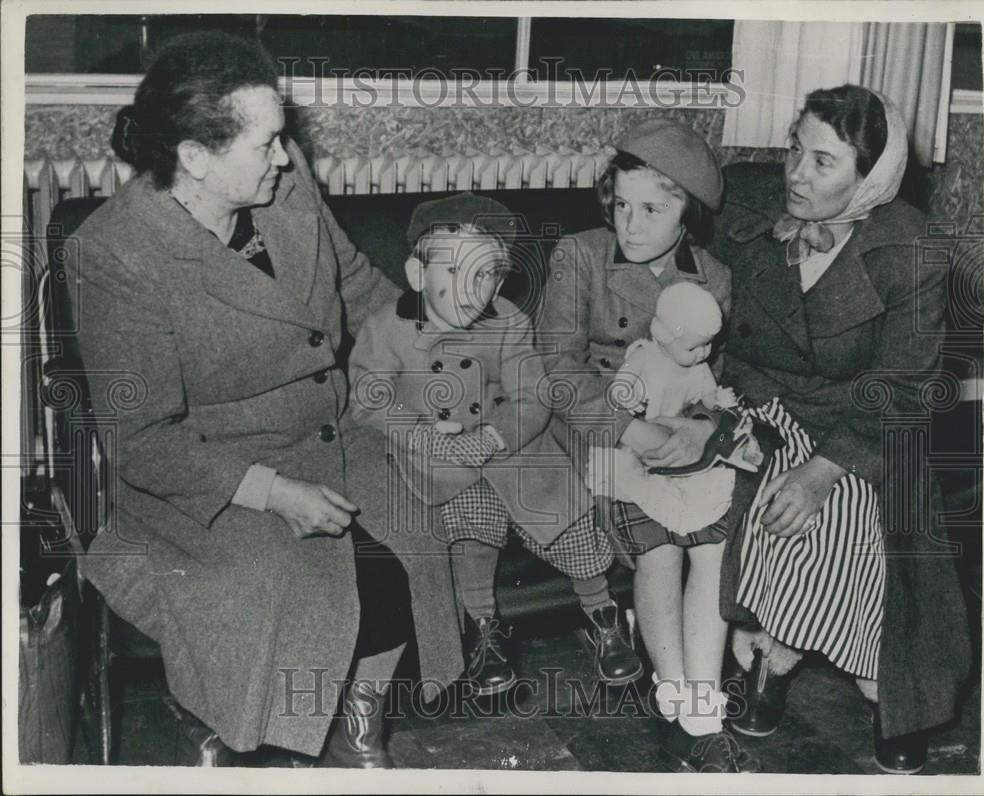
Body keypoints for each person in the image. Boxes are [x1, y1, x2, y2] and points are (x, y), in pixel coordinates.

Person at [66, 31, 464, 768]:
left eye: (283, 139)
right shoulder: (116, 253)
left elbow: (352, 281)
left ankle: (359, 725)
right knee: (276, 574)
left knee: (414, 524)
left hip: (329, 429)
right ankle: (226, 724)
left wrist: (439, 351)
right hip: (211, 473)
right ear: (194, 158)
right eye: (267, 144)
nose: (286, 158)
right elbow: (144, 439)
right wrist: (276, 493)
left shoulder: (283, 181)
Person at [706, 84, 971, 774]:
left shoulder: (913, 248)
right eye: (796, 147)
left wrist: (823, 469)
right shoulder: (745, 203)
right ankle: (779, 654)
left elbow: (905, 383)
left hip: (870, 419)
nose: (795, 173)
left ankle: (850, 674)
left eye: (824, 162)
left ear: (871, 177)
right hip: (761, 400)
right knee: (782, 499)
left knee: (848, 507)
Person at [349, 192, 641, 696]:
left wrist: (495, 435)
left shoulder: (508, 321)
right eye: (456, 272)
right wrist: (421, 436)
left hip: (513, 448)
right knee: (471, 522)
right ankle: (485, 633)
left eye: (486, 275)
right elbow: (369, 402)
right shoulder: (384, 327)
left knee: (566, 516)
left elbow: (533, 395)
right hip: (437, 457)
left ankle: (603, 616)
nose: (471, 289)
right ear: (419, 277)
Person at [539, 119, 758, 772]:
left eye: (652, 210)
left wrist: (697, 428)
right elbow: (557, 368)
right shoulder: (579, 255)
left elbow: (717, 379)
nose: (630, 225)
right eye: (621, 205)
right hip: (602, 430)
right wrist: (629, 429)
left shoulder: (712, 276)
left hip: (681, 429)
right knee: (660, 549)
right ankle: (678, 698)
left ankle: (703, 696)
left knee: (718, 541)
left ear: (687, 214)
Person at [588, 281, 743, 533]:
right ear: (661, 334)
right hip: (636, 435)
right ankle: (605, 512)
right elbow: (620, 385)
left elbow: (708, 397)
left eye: (708, 344)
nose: (702, 353)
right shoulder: (645, 355)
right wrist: (627, 396)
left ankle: (672, 501)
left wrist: (720, 399)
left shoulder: (699, 367)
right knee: (614, 465)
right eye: (692, 347)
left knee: (696, 478)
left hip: (671, 435)